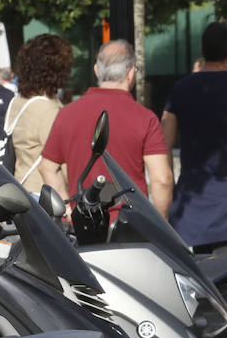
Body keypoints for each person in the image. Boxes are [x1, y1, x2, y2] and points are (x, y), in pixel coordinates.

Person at [160, 22, 227, 253]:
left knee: (201, 276)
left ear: (202, 50)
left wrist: (171, 189)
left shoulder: (180, 89)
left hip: (193, 197)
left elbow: (164, 143)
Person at [40, 40, 173, 216]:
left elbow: (47, 167)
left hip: (84, 227)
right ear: (131, 73)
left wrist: (67, 211)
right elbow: (162, 179)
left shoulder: (67, 113)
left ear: (96, 70)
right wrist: (160, 224)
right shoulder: (145, 118)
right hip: (132, 226)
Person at [3, 34, 73, 193]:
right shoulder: (48, 110)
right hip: (44, 197)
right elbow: (60, 165)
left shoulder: (18, 101)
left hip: (21, 189)